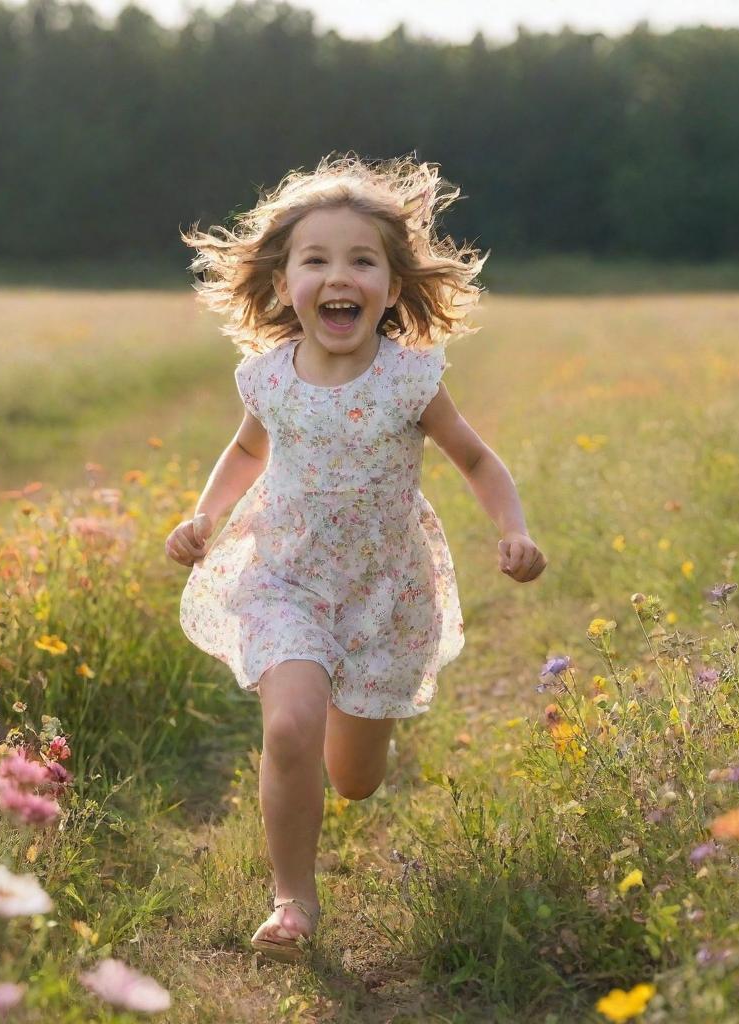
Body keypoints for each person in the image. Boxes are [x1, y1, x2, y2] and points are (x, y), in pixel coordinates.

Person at [166, 152, 547, 963]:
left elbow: (477, 461)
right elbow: (243, 453)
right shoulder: (266, 379)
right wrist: (204, 516)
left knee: (355, 780)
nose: (340, 275)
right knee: (292, 725)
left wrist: (512, 528)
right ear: (282, 286)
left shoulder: (411, 381)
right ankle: (293, 900)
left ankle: (357, 717)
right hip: (286, 581)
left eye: (362, 260)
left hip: (384, 593)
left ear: (392, 287)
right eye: (317, 260)